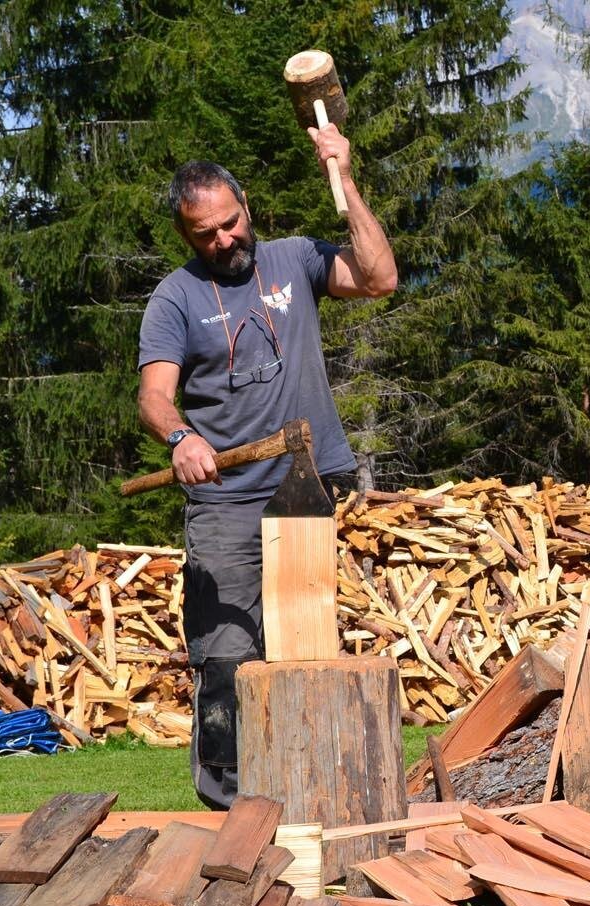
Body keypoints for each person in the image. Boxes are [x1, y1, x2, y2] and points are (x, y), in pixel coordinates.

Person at [136, 124, 396, 809]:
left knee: (306, 644)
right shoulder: (176, 299)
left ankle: (308, 794)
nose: (224, 240)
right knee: (225, 655)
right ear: (186, 237)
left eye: (231, 222)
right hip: (224, 504)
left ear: (246, 207)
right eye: (206, 234)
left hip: (307, 489)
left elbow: (380, 277)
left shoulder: (295, 259)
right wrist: (181, 439)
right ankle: (231, 808)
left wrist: (346, 177)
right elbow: (154, 395)